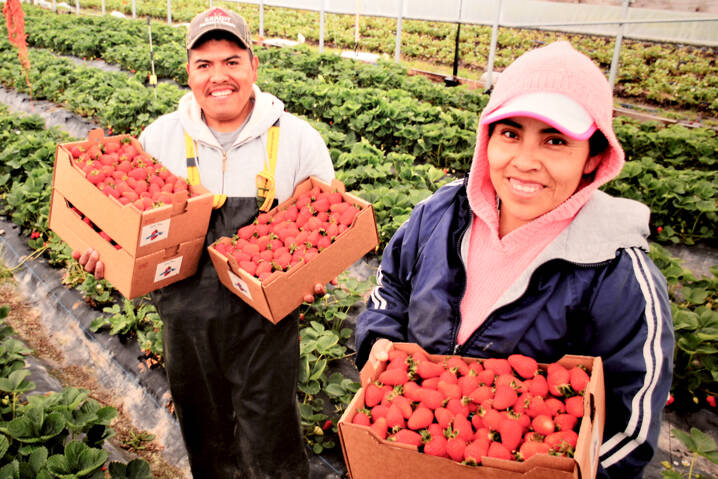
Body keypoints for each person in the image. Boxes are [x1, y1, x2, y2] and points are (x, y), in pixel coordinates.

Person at [355, 41, 673, 478]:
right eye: (510, 133)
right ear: (487, 137)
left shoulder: (618, 273)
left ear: (594, 157)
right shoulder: (438, 214)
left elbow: (628, 430)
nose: (525, 161)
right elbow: (391, 284)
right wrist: (379, 342)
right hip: (413, 453)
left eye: (555, 140)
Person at [75, 7, 334, 478]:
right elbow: (123, 233)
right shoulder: (157, 141)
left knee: (273, 449)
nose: (220, 76)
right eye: (205, 64)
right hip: (186, 328)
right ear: (188, 72)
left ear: (254, 66)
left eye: (232, 61)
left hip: (266, 333)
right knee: (207, 443)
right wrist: (105, 254)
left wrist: (314, 275)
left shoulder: (299, 142)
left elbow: (324, 232)